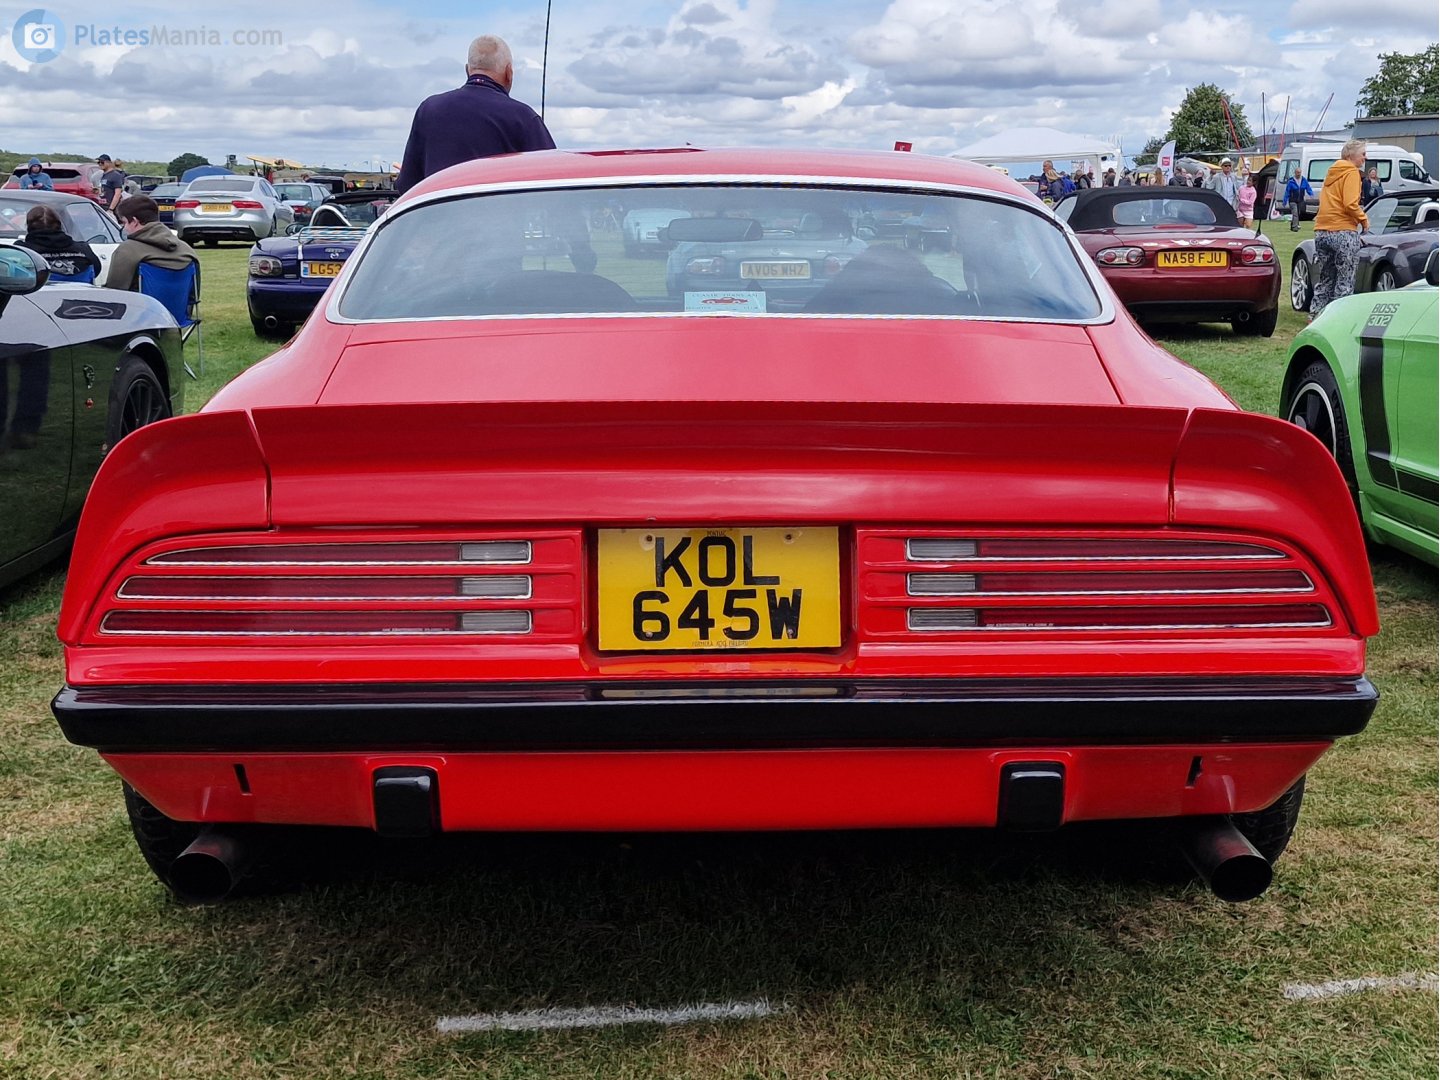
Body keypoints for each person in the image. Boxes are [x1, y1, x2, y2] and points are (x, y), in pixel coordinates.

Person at [396, 35, 554, 194]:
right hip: (502, 216)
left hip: (442, 217)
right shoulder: (523, 117)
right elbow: (551, 182)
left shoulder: (428, 110)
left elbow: (408, 186)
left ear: (467, 70)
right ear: (509, 73)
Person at [1311, 139, 1370, 319]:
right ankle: (1339, 319)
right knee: (1345, 279)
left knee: (1326, 277)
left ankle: (1315, 315)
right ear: (1351, 156)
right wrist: (1364, 220)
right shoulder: (1351, 173)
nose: (1365, 158)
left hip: (1322, 230)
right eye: (1363, 154)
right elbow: (1350, 204)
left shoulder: (1331, 173)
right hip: (1343, 229)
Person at [103, 195, 198, 292]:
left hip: (142, 306)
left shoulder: (127, 250)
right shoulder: (187, 251)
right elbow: (193, 296)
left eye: (124, 222)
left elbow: (114, 293)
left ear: (135, 221)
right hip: (178, 307)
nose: (125, 228)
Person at [16, 205, 102, 280]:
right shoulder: (83, 250)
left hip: (34, 297)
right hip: (78, 295)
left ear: (29, 227)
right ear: (59, 225)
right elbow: (96, 270)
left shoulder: (22, 251)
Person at [1281, 166, 1314, 232]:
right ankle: (1295, 227)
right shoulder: (1291, 181)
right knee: (1295, 213)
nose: (1298, 174)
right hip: (1292, 200)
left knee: (1297, 214)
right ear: (1295, 173)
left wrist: (1311, 194)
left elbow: (1308, 187)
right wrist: (1285, 201)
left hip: (1300, 200)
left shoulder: (1304, 180)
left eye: (1299, 172)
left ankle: (1293, 225)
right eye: (1297, 172)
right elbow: (1287, 191)